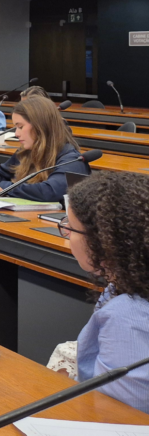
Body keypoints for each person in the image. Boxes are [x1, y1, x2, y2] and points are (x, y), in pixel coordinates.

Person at [61, 172, 149, 413]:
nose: (66, 233)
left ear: (104, 240)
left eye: (71, 227)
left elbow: (119, 417)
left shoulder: (128, 317)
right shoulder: (128, 284)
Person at [0, 96, 85, 201]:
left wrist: (4, 188)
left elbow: (50, 191)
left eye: (20, 127)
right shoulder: (26, 151)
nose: (16, 134)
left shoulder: (72, 160)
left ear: (40, 126)